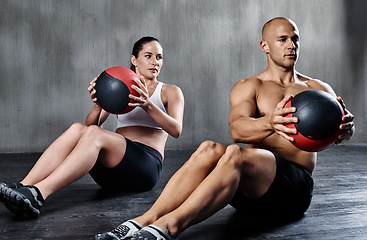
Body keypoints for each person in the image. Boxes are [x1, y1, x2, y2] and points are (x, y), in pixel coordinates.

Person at [95, 17, 355, 240]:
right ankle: (144, 220)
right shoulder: (249, 86)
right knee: (209, 148)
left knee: (235, 155)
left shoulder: (319, 89)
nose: (291, 45)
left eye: (295, 39)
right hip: (249, 191)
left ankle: (166, 228)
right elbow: (238, 131)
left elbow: (340, 126)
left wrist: (345, 131)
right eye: (283, 39)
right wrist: (270, 122)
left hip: (293, 192)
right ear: (264, 45)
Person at [0, 36, 185, 218]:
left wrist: (147, 105)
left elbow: (176, 130)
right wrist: (99, 104)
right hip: (112, 171)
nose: (155, 62)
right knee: (77, 128)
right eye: (148, 56)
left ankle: (38, 194)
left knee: (94, 134)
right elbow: (89, 128)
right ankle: (22, 187)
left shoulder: (169, 91)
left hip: (145, 168)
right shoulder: (123, 86)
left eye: (159, 57)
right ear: (134, 60)